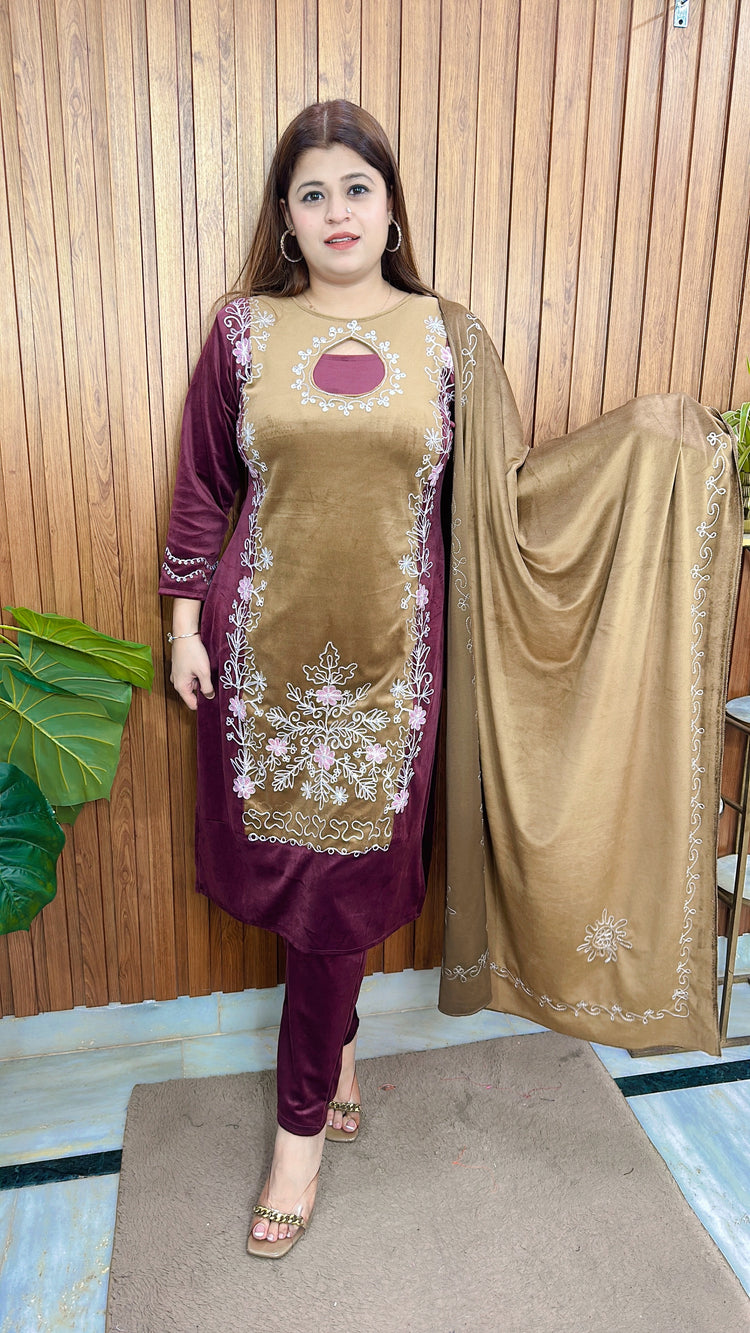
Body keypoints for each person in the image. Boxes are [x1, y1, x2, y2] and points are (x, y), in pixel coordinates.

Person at [160, 100, 741, 1258]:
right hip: (259, 663)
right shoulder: (242, 333)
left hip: (397, 674)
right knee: (299, 887)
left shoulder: (448, 338)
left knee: (341, 895)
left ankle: (297, 1136)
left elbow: (505, 499)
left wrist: (654, 450)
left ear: (390, 208)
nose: (337, 211)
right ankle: (338, 1050)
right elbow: (202, 486)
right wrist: (184, 626)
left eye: (357, 188)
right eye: (313, 193)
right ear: (286, 216)